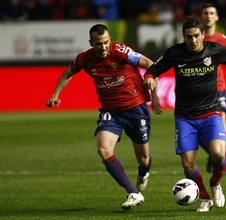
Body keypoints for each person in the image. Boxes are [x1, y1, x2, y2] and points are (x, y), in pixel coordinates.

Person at [143, 15, 226, 212]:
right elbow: (154, 68)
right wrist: (149, 77)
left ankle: (216, 183)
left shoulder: (214, 51)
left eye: (196, 36)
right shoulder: (175, 53)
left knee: (218, 154)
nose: (193, 40)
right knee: (188, 166)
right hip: (185, 118)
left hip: (210, 113)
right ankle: (205, 198)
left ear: (203, 35)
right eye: (189, 37)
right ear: (183, 36)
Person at [46, 24, 160, 210]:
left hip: (135, 108)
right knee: (103, 149)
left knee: (143, 158)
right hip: (111, 111)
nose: (104, 47)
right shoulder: (85, 58)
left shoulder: (121, 51)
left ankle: (143, 172)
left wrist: (153, 95)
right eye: (99, 44)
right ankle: (133, 192)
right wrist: (56, 94)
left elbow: (150, 64)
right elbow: (68, 73)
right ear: (91, 43)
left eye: (106, 42)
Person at [200, 2, 226, 175]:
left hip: (218, 90)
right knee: (198, 131)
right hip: (199, 91)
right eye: (205, 13)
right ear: (201, 16)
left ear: (217, 17)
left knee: (222, 125)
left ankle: (223, 165)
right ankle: (214, 156)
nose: (208, 15)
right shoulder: (194, 38)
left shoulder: (223, 40)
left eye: (211, 13)